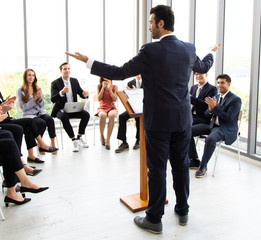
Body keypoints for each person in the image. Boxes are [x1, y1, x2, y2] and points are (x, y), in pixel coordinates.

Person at [66, 5, 220, 234]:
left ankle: (154, 219)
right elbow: (205, 65)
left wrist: (89, 61)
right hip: (182, 120)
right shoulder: (188, 49)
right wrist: (212, 52)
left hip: (158, 122)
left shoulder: (150, 51)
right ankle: (183, 210)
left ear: (160, 23)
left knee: (157, 169)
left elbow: (119, 72)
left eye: (150, 22)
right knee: (180, 166)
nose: (149, 27)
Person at [188, 74, 241, 178]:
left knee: (210, 139)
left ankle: (203, 167)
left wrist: (215, 108)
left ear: (229, 84)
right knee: (187, 131)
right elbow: (206, 115)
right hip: (212, 125)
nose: (219, 85)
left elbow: (228, 118)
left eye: (222, 83)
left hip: (224, 128)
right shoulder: (216, 97)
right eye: (218, 83)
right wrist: (211, 109)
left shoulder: (235, 100)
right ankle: (194, 159)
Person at [50, 62, 90, 152]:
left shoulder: (74, 81)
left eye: (68, 68)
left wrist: (85, 95)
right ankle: (74, 140)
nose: (67, 71)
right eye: (65, 69)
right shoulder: (55, 83)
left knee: (86, 115)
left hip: (73, 108)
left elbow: (81, 93)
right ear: (61, 71)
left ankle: (79, 137)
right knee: (64, 117)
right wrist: (62, 92)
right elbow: (53, 99)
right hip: (60, 109)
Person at [16, 69, 58, 152]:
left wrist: (40, 98)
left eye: (33, 75)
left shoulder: (38, 88)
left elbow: (42, 105)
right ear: (25, 77)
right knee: (41, 123)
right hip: (29, 114)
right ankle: (40, 143)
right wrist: (34, 99)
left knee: (49, 119)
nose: (31, 77)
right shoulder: (20, 90)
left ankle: (52, 142)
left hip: (39, 112)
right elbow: (23, 108)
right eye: (29, 75)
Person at [188, 72, 218, 168]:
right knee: (175, 125)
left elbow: (207, 105)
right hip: (192, 116)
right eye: (196, 74)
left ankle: (194, 159)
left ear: (206, 74)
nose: (198, 76)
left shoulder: (212, 89)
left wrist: (191, 98)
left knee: (185, 130)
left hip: (203, 119)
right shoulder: (193, 87)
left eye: (201, 74)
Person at [114, 74, 142, 153]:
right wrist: (128, 93)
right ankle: (123, 142)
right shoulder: (130, 83)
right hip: (133, 107)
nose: (138, 75)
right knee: (122, 117)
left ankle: (138, 140)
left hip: (143, 108)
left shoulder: (147, 81)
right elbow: (127, 98)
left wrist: (138, 92)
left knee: (138, 117)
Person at [95, 77, 118, 149]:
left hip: (111, 107)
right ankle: (102, 136)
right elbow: (98, 99)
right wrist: (103, 88)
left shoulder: (115, 86)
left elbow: (115, 99)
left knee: (111, 115)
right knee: (102, 115)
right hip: (102, 107)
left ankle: (108, 139)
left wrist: (110, 90)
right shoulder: (99, 86)